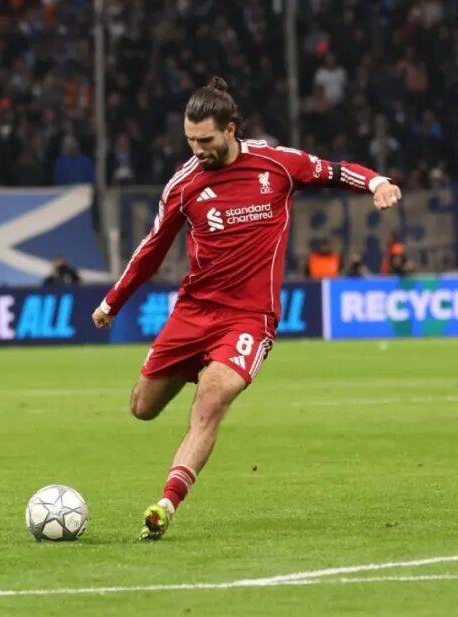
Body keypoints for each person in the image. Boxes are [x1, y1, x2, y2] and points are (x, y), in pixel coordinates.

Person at [90, 77, 401, 540]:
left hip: (249, 319)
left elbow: (334, 171)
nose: (197, 150)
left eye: (206, 140)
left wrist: (376, 181)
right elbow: (153, 248)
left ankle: (165, 505)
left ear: (231, 129)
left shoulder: (277, 164)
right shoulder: (184, 185)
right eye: (190, 140)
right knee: (142, 407)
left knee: (210, 402)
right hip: (194, 312)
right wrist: (112, 301)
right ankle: (198, 367)